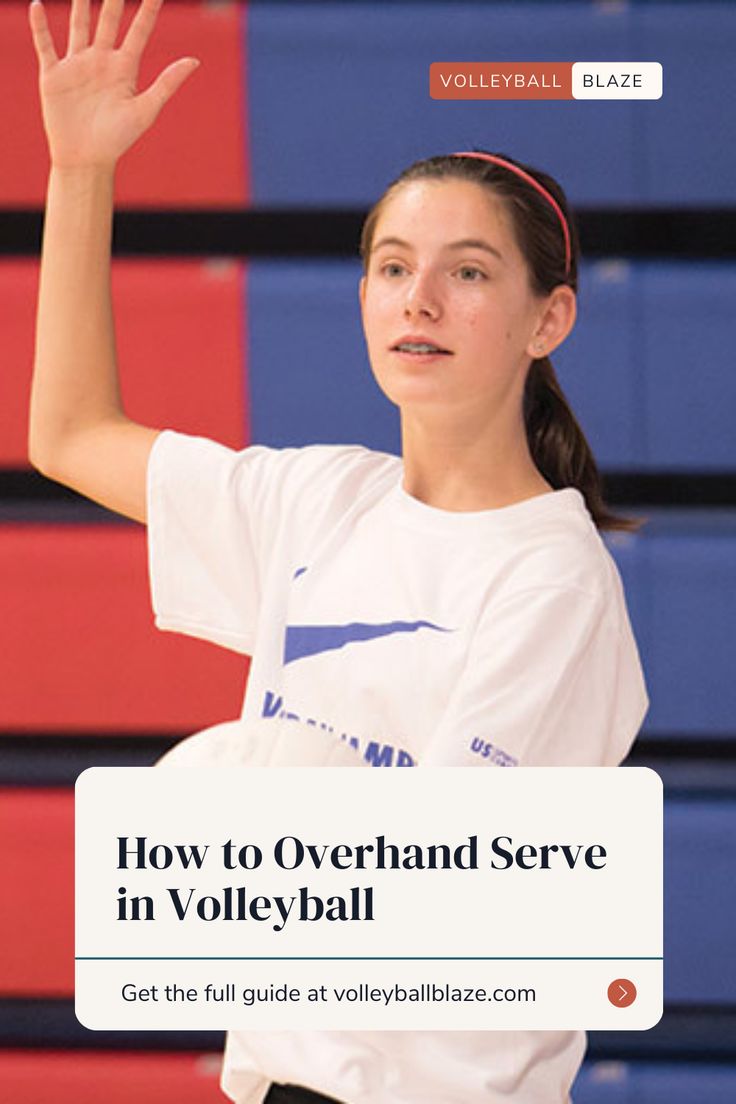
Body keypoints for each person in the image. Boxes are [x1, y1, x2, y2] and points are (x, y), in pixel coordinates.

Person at [28, 1, 648, 1102]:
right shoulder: (317, 499)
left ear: (547, 319)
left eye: (466, 271)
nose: (419, 296)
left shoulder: (553, 580)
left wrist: (212, 798)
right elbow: (69, 434)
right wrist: (80, 173)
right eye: (393, 265)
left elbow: (426, 901)